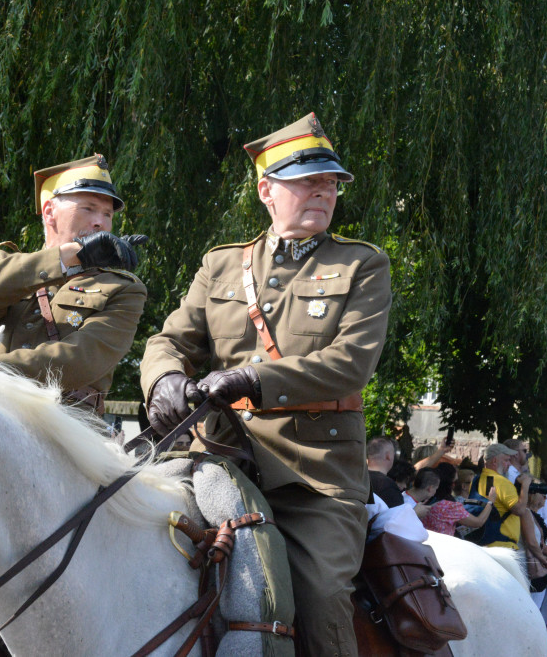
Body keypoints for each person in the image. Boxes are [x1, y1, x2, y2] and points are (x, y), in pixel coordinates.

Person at [141, 112, 392, 656]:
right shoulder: (221, 266)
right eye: (308, 181)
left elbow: (350, 363)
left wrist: (252, 377)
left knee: (323, 600)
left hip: (312, 478)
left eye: (330, 183)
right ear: (266, 191)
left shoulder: (361, 265)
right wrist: (162, 380)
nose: (324, 191)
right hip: (216, 462)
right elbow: (171, 341)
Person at [0, 154, 147, 414]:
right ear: (50, 212)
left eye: (107, 214)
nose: (100, 222)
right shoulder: (2, 261)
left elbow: (82, 358)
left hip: (70, 428)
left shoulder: (123, 288)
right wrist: (69, 256)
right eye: (89, 208)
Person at [476, 443, 543, 561]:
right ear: (495, 461)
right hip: (503, 547)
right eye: (506, 460)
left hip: (483, 542)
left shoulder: (478, 480)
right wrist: (525, 486)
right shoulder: (501, 482)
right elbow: (520, 510)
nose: (509, 464)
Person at [422, 463, 497, 537]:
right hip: (444, 545)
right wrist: (491, 501)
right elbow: (478, 522)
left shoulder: (426, 499)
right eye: (455, 482)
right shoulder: (450, 506)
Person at [367, 436, 404, 507]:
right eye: (393, 453)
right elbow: (397, 516)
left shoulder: (355, 477)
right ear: (388, 456)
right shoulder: (387, 487)